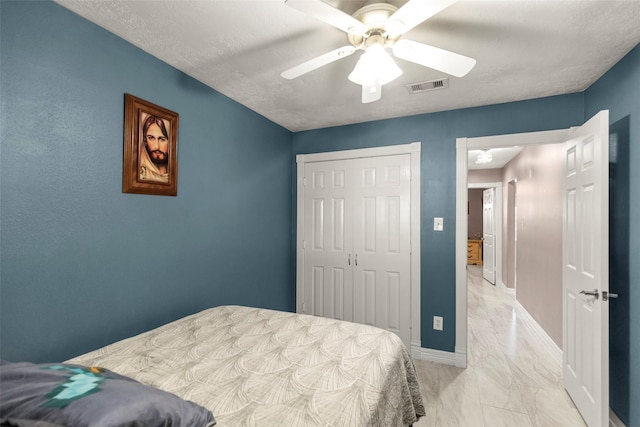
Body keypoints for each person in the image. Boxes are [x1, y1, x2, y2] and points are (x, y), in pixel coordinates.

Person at [139, 113, 170, 183]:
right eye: (151, 138)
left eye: (162, 139)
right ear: (145, 140)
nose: (156, 146)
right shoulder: (140, 173)